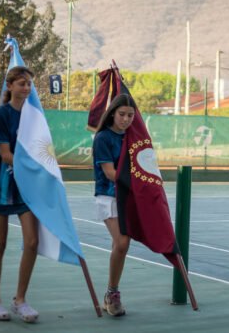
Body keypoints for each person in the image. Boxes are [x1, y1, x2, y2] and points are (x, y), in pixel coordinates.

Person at [0, 66, 39, 323]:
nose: (26, 88)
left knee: (32, 242)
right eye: (21, 83)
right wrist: (33, 166)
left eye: (29, 84)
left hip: (25, 188)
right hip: (0, 185)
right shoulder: (1, 114)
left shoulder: (33, 116)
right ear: (10, 86)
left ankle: (20, 300)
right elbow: (5, 156)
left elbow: (39, 149)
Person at [92, 93, 137, 317]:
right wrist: (139, 181)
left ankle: (110, 294)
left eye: (130, 115)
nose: (126, 119)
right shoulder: (102, 138)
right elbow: (110, 173)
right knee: (122, 243)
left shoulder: (134, 137)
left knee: (118, 246)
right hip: (107, 196)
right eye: (122, 114)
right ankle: (112, 293)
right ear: (112, 113)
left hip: (127, 197)